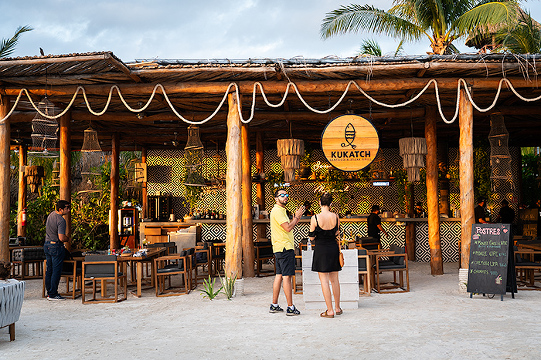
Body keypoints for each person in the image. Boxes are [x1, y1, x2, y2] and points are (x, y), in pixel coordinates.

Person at [269, 188, 304, 316]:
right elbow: (288, 227)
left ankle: (274, 305)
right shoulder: (277, 211)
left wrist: (295, 218)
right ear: (276, 198)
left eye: (286, 194)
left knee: (279, 275)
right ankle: (290, 307)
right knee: (287, 277)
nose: (285, 197)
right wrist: (297, 218)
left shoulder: (281, 211)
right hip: (284, 248)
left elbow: (288, 226)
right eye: (281, 195)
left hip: (279, 247)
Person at [308, 192, 342, 318]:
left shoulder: (315, 218)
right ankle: (337, 308)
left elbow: (311, 237)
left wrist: (316, 236)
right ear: (331, 204)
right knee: (335, 280)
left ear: (319, 203)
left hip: (321, 250)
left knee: (324, 281)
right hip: (333, 249)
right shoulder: (336, 216)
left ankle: (330, 310)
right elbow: (337, 233)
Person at [44, 200, 71, 301]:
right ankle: (53, 294)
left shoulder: (51, 215)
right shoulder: (61, 220)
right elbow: (61, 238)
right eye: (67, 208)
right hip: (56, 246)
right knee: (56, 271)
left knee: (49, 270)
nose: (68, 210)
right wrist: (67, 238)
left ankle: (49, 291)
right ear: (60, 209)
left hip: (47, 245)